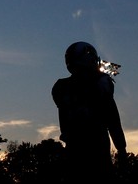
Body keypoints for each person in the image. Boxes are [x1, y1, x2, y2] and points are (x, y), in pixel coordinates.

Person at [51, 41, 127, 181]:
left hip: (77, 152)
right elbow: (113, 120)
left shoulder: (62, 87)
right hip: (92, 150)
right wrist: (121, 150)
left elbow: (112, 119)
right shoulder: (99, 84)